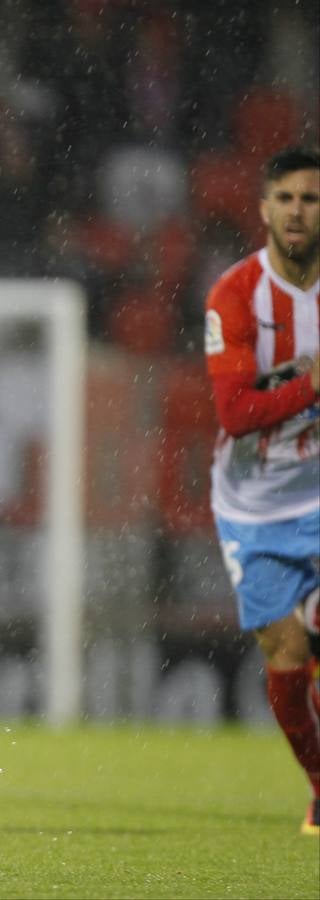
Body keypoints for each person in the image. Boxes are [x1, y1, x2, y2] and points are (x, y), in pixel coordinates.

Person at [203, 145, 319, 837]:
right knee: (285, 657)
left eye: (310, 198)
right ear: (264, 210)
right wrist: (311, 384)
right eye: (287, 198)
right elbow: (236, 413)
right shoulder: (236, 294)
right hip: (253, 506)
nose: (298, 210)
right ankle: (318, 783)